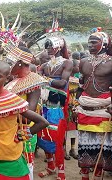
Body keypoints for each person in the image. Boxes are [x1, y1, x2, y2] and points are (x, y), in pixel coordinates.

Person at [0, 61, 48, 179]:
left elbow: (43, 122)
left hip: (11, 157)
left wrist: (22, 135)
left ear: (7, 78)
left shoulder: (12, 101)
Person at [4, 44, 48, 180]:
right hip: (11, 130)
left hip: (24, 132)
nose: (8, 64)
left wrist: (4, 110)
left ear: (21, 63)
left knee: (25, 169)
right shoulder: (13, 81)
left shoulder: (33, 82)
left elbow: (29, 117)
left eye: (11, 62)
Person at [76, 30, 112, 180]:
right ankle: (85, 176)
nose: (89, 45)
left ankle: (98, 177)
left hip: (104, 110)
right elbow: (80, 85)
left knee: (102, 150)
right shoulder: (83, 61)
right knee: (84, 147)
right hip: (84, 109)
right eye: (89, 42)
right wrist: (75, 105)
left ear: (104, 43)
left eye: (94, 42)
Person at [38, 36, 73, 180]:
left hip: (57, 106)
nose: (48, 49)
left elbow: (62, 83)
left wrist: (45, 80)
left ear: (58, 47)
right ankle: (51, 167)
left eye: (50, 46)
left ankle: (61, 171)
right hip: (45, 104)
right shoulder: (45, 65)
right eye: (46, 47)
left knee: (57, 137)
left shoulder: (67, 63)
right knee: (44, 135)